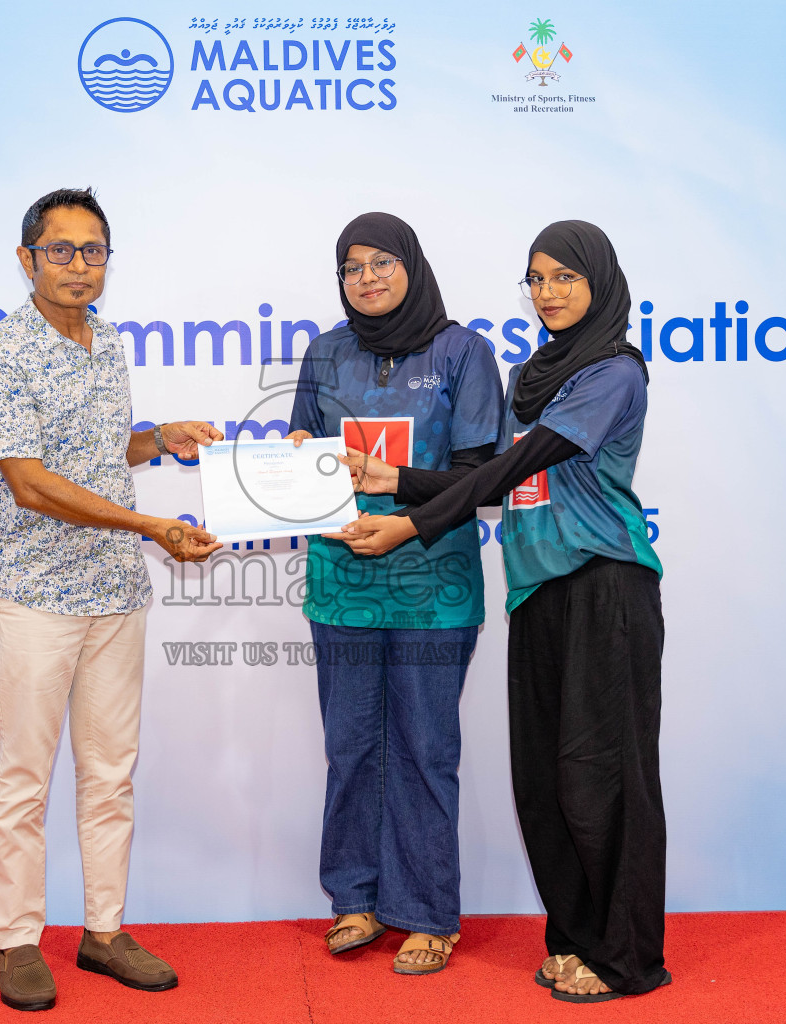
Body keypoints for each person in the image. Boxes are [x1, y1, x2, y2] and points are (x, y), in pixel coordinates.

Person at [331, 221, 670, 1002]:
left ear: (600, 284)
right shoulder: (535, 373)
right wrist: (396, 480)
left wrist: (409, 516)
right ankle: (575, 938)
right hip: (538, 590)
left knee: (605, 778)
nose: (549, 294)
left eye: (565, 279)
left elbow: (520, 461)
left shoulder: (614, 372)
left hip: (605, 585)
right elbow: (492, 478)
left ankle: (627, 957)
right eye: (537, 279)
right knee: (548, 780)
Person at [0, 187, 223, 1012]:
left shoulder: (105, 343)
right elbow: (32, 485)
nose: (80, 265)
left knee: (111, 774)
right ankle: (15, 941)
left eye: (94, 250)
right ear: (26, 258)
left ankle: (103, 932)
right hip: (37, 595)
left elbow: (99, 452)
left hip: (115, 593)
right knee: (24, 781)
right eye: (62, 250)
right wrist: (151, 523)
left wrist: (160, 439)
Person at [285, 212, 504, 975]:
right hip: (340, 583)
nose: (367, 278)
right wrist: (282, 474)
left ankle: (426, 912)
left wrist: (404, 518)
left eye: (382, 262)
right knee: (349, 747)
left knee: (423, 747)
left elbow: (485, 479)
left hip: (430, 586)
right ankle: (355, 899)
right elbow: (301, 457)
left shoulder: (463, 353)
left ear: (412, 265)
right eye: (352, 266)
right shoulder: (324, 353)